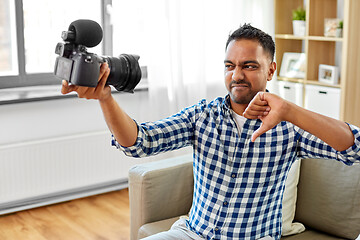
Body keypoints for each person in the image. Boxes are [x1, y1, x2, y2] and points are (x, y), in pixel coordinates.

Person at [61, 24, 360, 240]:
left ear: (271, 71)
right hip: (193, 234)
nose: (237, 75)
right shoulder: (203, 115)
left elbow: (354, 147)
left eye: (249, 66)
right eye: (230, 65)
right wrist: (105, 98)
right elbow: (139, 142)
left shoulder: (290, 128)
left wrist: (292, 111)